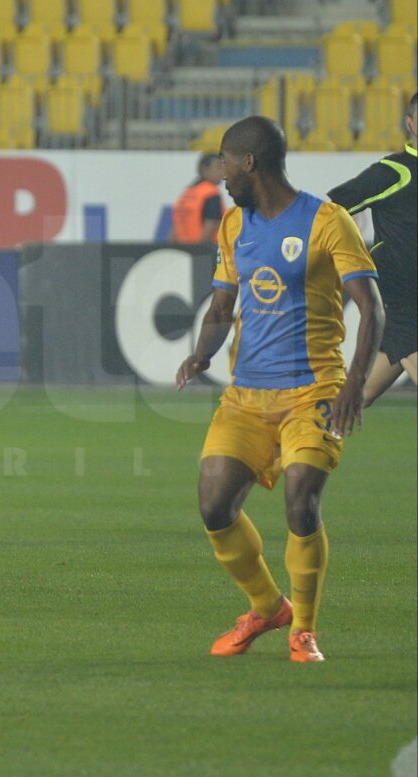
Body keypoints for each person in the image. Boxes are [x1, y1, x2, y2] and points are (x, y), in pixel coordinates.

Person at [176, 116, 384, 663]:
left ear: (250, 162)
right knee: (214, 504)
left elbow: (371, 307)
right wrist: (202, 354)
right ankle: (268, 607)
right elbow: (222, 305)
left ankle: (304, 631)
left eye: (226, 163)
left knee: (301, 499)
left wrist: (355, 382)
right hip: (246, 396)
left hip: (314, 389)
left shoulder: (327, 221)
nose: (221, 175)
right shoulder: (232, 225)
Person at [327, 91, 417, 406]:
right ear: (410, 123)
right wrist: (347, 251)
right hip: (401, 302)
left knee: (355, 397)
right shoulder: (395, 171)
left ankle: (297, 428)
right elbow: (333, 208)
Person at [168, 152, 226, 244]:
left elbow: (175, 229)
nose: (222, 172)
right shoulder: (211, 193)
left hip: (183, 247)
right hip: (204, 249)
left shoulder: (186, 193)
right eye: (218, 167)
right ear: (205, 169)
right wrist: (199, 249)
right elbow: (209, 227)